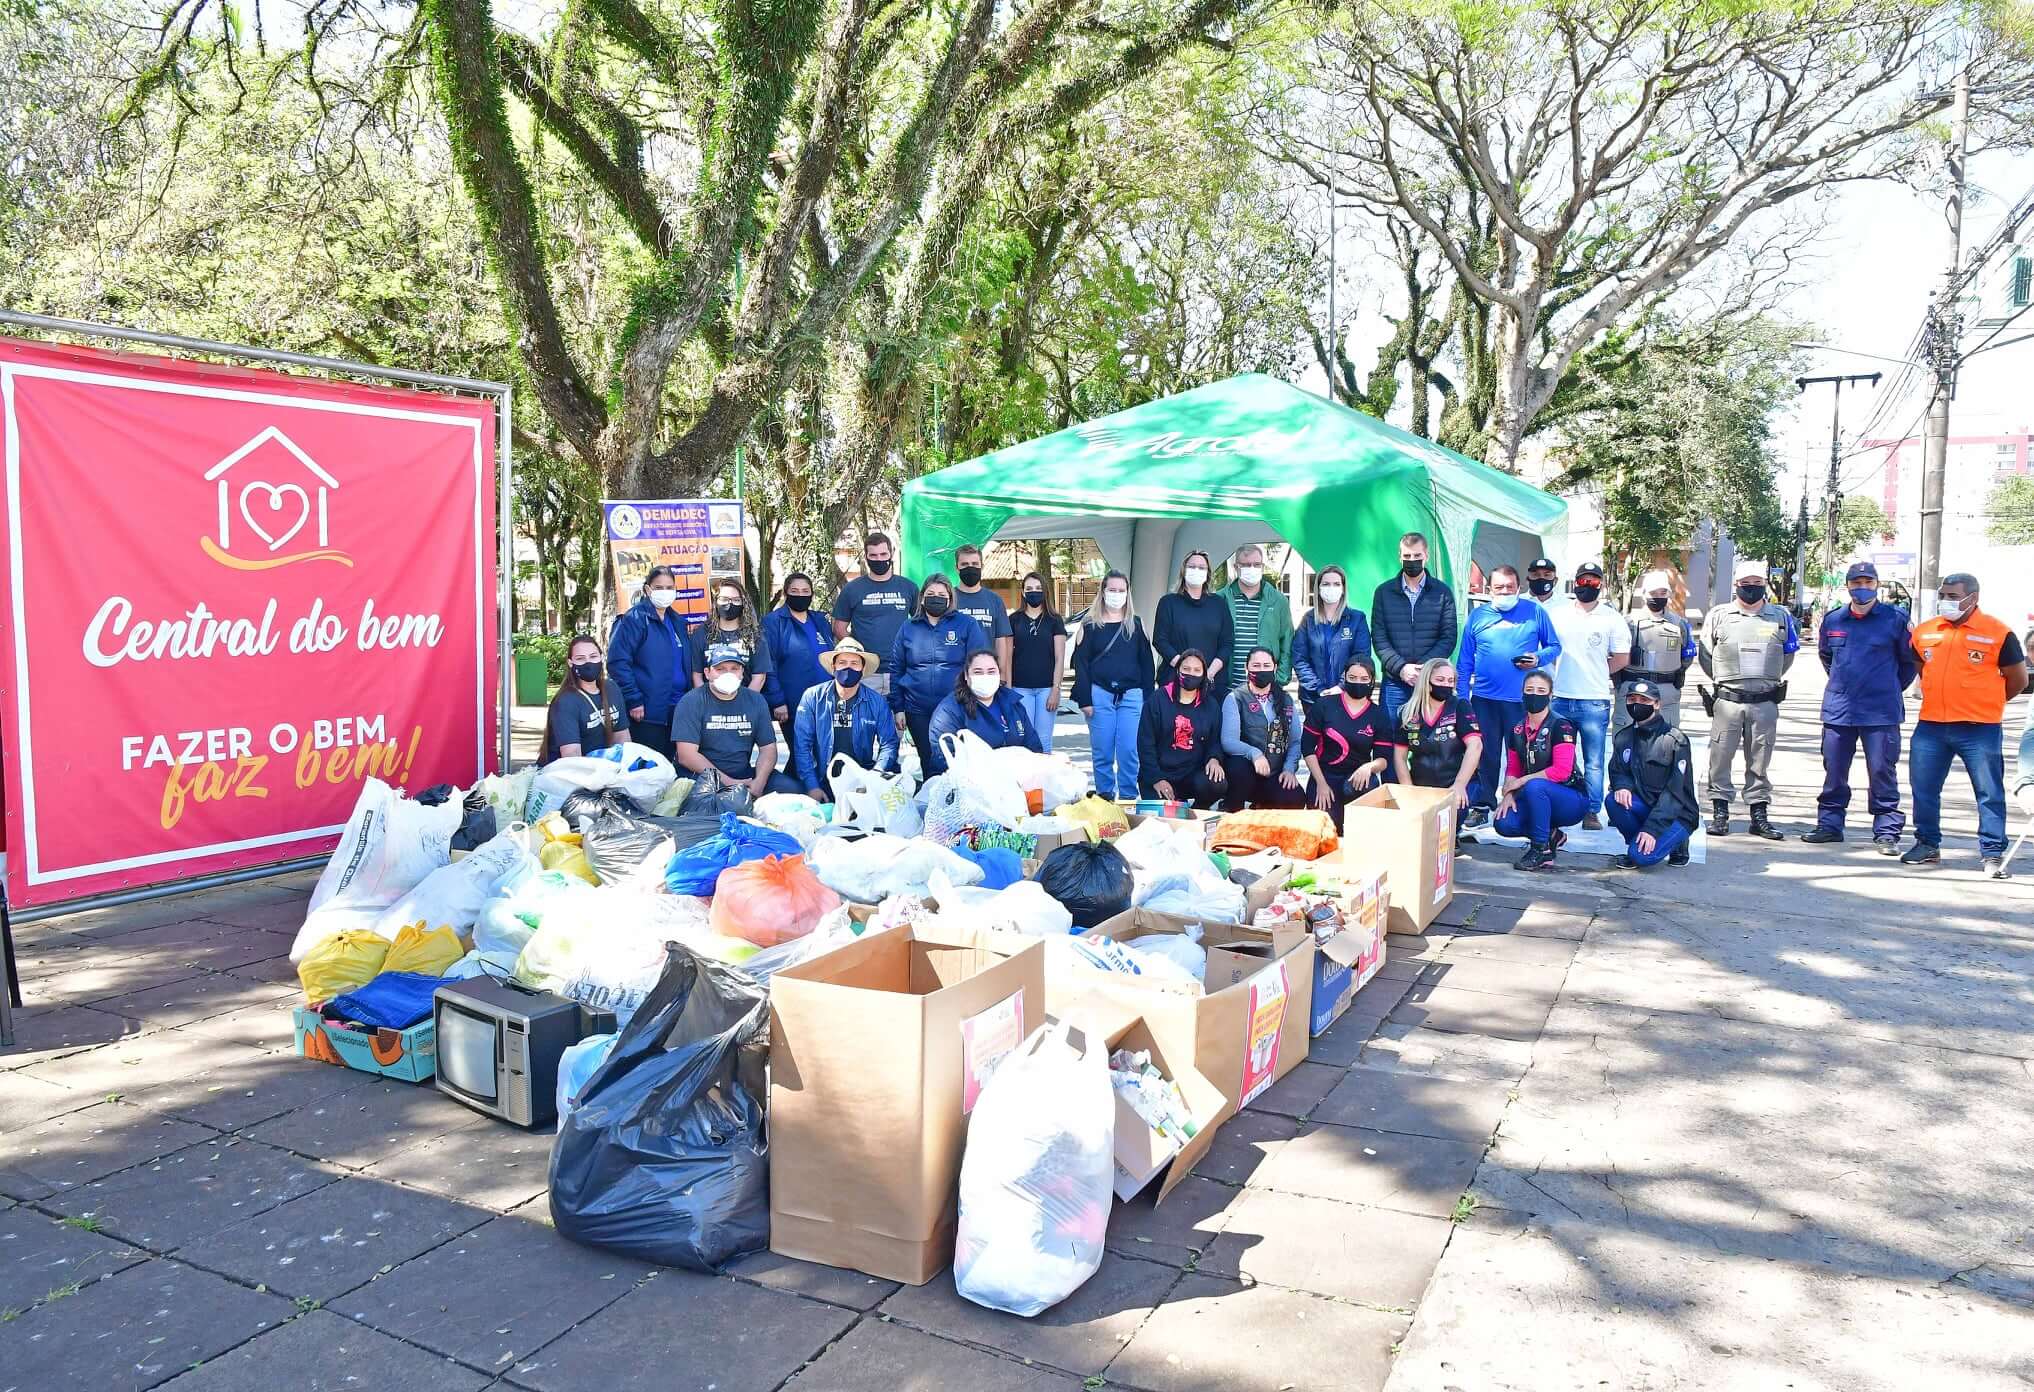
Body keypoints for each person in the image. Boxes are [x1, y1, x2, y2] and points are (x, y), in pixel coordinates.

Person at [1901, 572, 2028, 877]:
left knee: (1988, 791)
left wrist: (1988, 702)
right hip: (1931, 726)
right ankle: (1927, 844)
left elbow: (2019, 680)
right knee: (1924, 788)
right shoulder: (1925, 632)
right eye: (1943, 595)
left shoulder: (1998, 633)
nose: (1945, 601)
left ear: (1973, 598)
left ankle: (1992, 852)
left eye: (1953, 597)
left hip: (1979, 728)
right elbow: (1921, 668)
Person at [1805, 561, 1917, 852]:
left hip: (1881, 712)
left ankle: (1887, 831)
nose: (1862, 588)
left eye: (1868, 583)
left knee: (1882, 770)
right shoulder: (1834, 620)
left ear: (1877, 585)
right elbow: (1827, 657)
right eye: (1857, 583)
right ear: (1848, 586)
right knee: (1834, 770)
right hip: (1839, 710)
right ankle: (1829, 825)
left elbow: (1908, 664)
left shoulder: (1895, 619)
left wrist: (1887, 687)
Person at [1699, 558, 1799, 840]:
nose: (1751, 589)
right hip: (1728, 700)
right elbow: (1706, 655)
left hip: (1765, 701)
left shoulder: (1780, 617)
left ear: (1765, 584)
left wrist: (1768, 679)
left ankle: (1759, 815)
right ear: (1736, 586)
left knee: (1760, 759)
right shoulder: (1719, 615)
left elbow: (1788, 654)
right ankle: (1720, 814)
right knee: (1720, 758)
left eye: (1757, 583)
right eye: (1746, 584)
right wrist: (1725, 680)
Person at [1456, 565, 1561, 823]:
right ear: (1489, 589)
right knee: (1485, 753)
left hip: (1522, 701)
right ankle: (1482, 804)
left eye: (1510, 587)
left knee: (1522, 755)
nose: (1505, 591)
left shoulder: (1535, 612)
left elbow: (1554, 646)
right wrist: (1461, 698)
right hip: (1484, 699)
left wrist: (1537, 658)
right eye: (1499, 587)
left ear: (1519, 588)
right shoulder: (1478, 616)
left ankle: (1519, 802)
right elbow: (1465, 660)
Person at [1548, 561, 1629, 830]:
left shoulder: (1611, 618)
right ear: (1575, 583)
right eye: (1583, 581)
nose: (1587, 586)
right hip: (1560, 697)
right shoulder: (1558, 615)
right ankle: (1564, 804)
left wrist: (1596, 672)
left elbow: (1621, 657)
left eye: (1593, 582)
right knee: (1561, 757)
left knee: (1594, 760)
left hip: (1594, 700)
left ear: (1601, 585)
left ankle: (1592, 811)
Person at [886, 574, 986, 777]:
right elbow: (897, 668)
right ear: (922, 598)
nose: (936, 597)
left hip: (955, 707)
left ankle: (958, 806)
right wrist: (898, 708)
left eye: (941, 594)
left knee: (955, 761)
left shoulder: (966, 624)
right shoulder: (908, 627)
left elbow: (978, 664)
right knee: (929, 760)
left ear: (950, 598)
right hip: (917, 709)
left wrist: (975, 702)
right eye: (931, 594)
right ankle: (934, 804)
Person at [671, 643, 799, 797]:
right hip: (701, 777)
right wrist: (730, 783)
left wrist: (760, 782)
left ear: (742, 672)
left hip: (743, 774)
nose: (728, 674)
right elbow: (687, 756)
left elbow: (768, 749)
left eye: (734, 668)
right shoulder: (691, 701)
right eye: (720, 669)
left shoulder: (756, 700)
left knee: (792, 790)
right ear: (707, 673)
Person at [1492, 670, 1588, 871]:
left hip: (1570, 797)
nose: (1535, 694)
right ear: (1522, 692)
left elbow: (1561, 771)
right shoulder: (1517, 729)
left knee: (1536, 786)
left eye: (1541, 690)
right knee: (1504, 822)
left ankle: (1540, 849)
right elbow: (1513, 767)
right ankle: (1552, 835)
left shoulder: (1561, 725)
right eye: (1529, 690)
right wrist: (1509, 793)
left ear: (1550, 695)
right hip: (1534, 794)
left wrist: (1521, 782)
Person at [1071, 570, 1155, 799]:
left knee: (1129, 750)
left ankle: (1128, 798)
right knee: (1102, 752)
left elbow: (1147, 664)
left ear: (1128, 594)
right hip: (1099, 694)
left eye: (1121, 591)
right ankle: (1105, 797)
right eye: (1112, 590)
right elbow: (1081, 665)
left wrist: (1148, 698)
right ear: (1103, 592)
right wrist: (1085, 700)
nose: (1117, 595)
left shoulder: (1136, 624)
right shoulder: (1089, 626)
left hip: (1131, 695)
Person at [1606, 679, 1699, 869]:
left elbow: (1675, 793)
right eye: (1632, 699)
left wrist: (1652, 829)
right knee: (1613, 801)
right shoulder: (1624, 736)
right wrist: (1623, 786)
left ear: (1657, 704)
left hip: (1676, 813)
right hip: (1645, 803)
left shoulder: (1674, 740)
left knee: (1642, 859)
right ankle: (1638, 844)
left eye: (1644, 700)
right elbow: (1617, 770)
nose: (1637, 704)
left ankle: (1677, 842)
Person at [791, 638, 898, 801]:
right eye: (842, 662)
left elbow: (889, 744)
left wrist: (874, 777)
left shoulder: (877, 702)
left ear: (863, 669)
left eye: (854, 663)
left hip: (863, 779)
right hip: (822, 778)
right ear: (833, 667)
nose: (848, 667)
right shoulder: (812, 697)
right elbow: (802, 746)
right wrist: (812, 786)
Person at [605, 564, 693, 762]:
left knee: (671, 768)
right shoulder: (633, 620)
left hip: (677, 710)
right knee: (648, 767)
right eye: (659, 587)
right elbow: (618, 663)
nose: (665, 592)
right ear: (647, 589)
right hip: (647, 712)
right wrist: (634, 699)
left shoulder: (678, 621)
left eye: (670, 587)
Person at [1372, 531, 1459, 724]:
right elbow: (1379, 637)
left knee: (1431, 741)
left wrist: (1423, 669)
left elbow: (1448, 637)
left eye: (1417, 556)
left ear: (1426, 556)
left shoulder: (1442, 592)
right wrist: (1402, 668)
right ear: (1400, 557)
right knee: (1391, 737)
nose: (1412, 560)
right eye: (1407, 556)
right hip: (1395, 681)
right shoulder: (1383, 592)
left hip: (1430, 682)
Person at [1393, 657, 1482, 823]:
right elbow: (1400, 756)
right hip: (1422, 787)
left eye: (1450, 680)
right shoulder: (1406, 713)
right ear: (1426, 682)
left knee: (1447, 823)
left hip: (1454, 784)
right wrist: (1408, 790)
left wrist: (1460, 784)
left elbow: (1475, 745)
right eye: (1440, 680)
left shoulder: (1460, 706)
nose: (1446, 685)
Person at [1304, 656, 1395, 815]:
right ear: (1344, 677)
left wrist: (1369, 767)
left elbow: (1383, 759)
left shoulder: (1378, 714)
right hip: (1325, 775)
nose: (1358, 682)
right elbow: (1307, 747)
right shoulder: (1325, 705)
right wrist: (1321, 783)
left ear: (1372, 680)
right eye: (1352, 677)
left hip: (1357, 779)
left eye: (1364, 678)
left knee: (1368, 791)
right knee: (1327, 830)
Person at [833, 532, 918, 698]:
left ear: (891, 553)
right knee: (865, 721)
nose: (879, 559)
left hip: (901, 670)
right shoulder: (852, 589)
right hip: (866, 672)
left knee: (898, 722)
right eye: (873, 555)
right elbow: (838, 627)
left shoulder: (908, 587)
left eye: (883, 554)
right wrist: (859, 653)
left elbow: (921, 625)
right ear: (866, 556)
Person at [1138, 649, 1227, 808]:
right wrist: (1157, 778)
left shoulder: (1210, 704)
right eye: (1186, 669)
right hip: (1160, 773)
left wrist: (1214, 759)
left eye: (1197, 670)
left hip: (1192, 774)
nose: (1191, 674)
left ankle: (1198, 810)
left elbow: (1215, 741)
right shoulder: (1157, 700)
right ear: (1177, 670)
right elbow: (1145, 744)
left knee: (1217, 783)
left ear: (1204, 674)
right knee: (1162, 815)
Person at [1220, 645, 1306, 809]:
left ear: (1274, 668)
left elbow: (1296, 741)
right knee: (1238, 768)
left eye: (1267, 666)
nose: (1261, 670)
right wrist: (1255, 754)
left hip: (1274, 773)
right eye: (1256, 666)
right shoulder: (1235, 698)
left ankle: (1261, 808)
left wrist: (1289, 769)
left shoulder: (1285, 700)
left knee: (1295, 798)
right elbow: (1228, 741)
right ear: (1247, 668)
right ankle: (1231, 810)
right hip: (1246, 772)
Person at [762, 571, 835, 749]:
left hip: (825, 701)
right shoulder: (773, 622)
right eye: (794, 590)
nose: (800, 595)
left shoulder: (820, 620)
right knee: (800, 755)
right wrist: (777, 701)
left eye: (805, 591)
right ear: (786, 593)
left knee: (824, 752)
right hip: (793, 703)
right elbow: (768, 663)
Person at [1619, 571, 1697, 730]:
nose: (1658, 596)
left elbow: (1686, 656)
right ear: (1644, 594)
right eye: (1653, 593)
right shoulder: (1628, 623)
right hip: (1633, 690)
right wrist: (1619, 684)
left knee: (1667, 743)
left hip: (1666, 692)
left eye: (1663, 593)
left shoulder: (1678, 624)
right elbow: (1616, 655)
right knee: (1625, 741)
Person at [1293, 565, 1372, 720]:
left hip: (1349, 697)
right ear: (1318, 588)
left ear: (1343, 588)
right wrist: (1319, 688)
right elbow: (1299, 658)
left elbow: (1361, 657)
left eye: (1336, 584)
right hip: (1313, 698)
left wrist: (1341, 686)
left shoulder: (1357, 619)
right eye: (1326, 584)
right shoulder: (1308, 620)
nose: (1331, 588)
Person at [540, 634, 632, 765]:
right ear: (570, 663)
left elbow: (622, 737)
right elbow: (571, 755)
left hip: (605, 768)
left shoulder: (611, 688)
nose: (588, 663)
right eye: (580, 659)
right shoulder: (565, 701)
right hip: (568, 773)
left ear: (601, 657)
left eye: (593, 656)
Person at [930, 649, 1045, 752]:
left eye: (991, 671)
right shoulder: (950, 711)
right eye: (978, 672)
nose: (985, 676)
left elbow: (1033, 746)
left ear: (999, 674)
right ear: (966, 675)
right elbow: (943, 758)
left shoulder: (1013, 703)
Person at [1154, 550, 1234, 693]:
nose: (1196, 570)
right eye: (1192, 566)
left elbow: (1227, 643)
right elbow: (1160, 640)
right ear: (1183, 571)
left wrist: (1208, 673)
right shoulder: (1168, 602)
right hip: (1175, 681)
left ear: (1208, 573)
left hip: (1212, 683)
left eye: (1201, 567)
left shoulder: (1219, 604)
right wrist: (1186, 670)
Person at [1219, 543, 1294, 694]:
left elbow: (1287, 642)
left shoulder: (1278, 600)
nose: (1252, 568)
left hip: (1265, 688)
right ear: (1236, 567)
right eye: (1246, 565)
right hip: (1228, 687)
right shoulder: (1221, 598)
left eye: (1256, 564)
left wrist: (1280, 678)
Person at [1009, 572, 1067, 751]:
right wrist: (1008, 690)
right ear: (1023, 592)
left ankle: (1044, 780)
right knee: (1023, 740)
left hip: (1046, 690)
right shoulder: (1013, 620)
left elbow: (1059, 658)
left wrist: (1056, 690)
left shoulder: (1054, 620)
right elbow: (1007, 657)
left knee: (1043, 742)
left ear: (1045, 591)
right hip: (1020, 689)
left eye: (1038, 588)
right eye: (1029, 589)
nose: (1034, 592)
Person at [687, 579, 773, 696]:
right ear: (716, 601)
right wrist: (707, 704)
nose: (730, 604)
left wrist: (745, 704)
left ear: (743, 603)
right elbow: (696, 676)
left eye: (736, 600)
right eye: (724, 599)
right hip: (710, 705)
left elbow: (759, 677)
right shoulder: (701, 634)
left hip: (744, 704)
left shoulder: (754, 635)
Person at [951, 544, 1013, 677]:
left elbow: (1000, 641)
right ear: (957, 568)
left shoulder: (995, 600)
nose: (970, 568)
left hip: (986, 674)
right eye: (965, 564)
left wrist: (1001, 675)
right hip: (955, 674)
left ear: (982, 566)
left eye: (975, 563)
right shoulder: (949, 599)